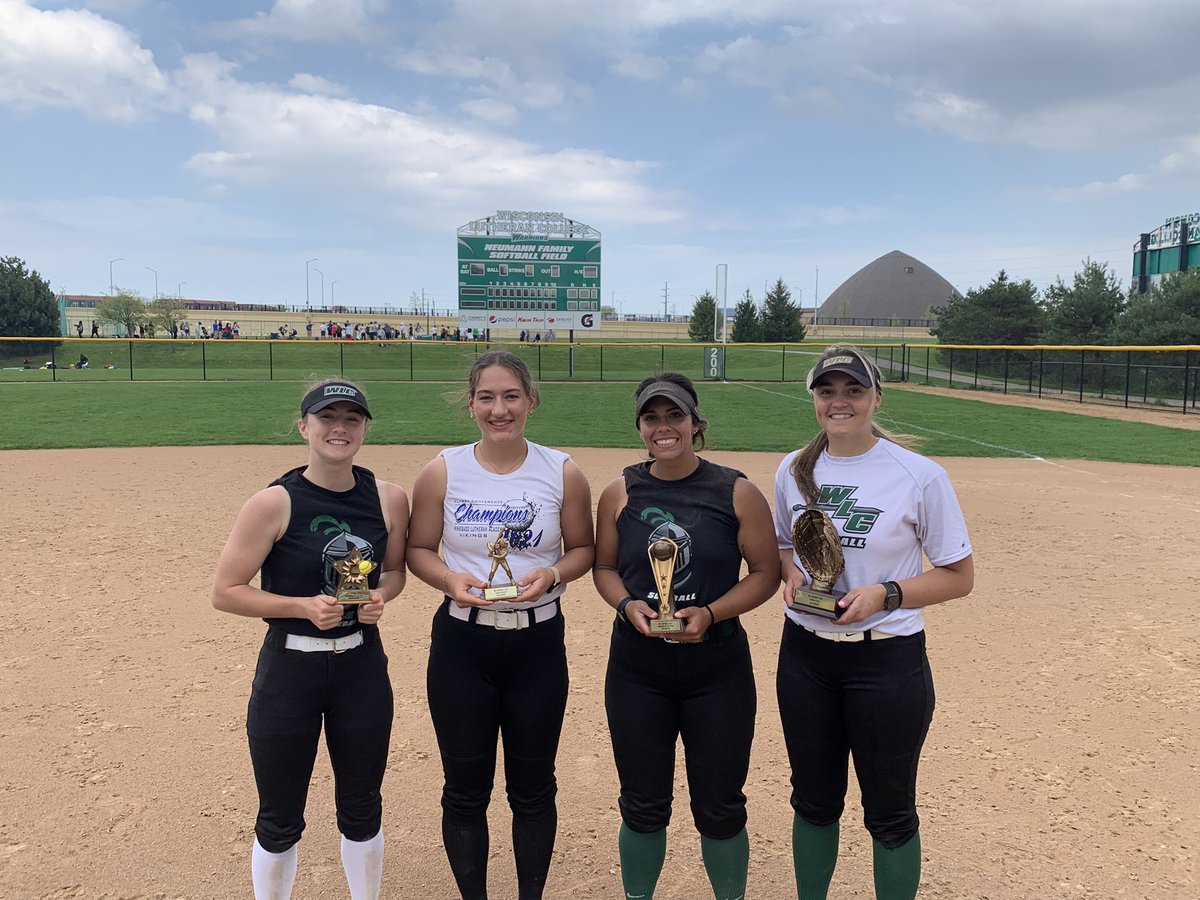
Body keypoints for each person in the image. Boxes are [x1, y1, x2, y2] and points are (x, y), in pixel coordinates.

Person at [773, 345, 974, 900]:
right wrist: (791, 575)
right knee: (813, 801)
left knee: (889, 809)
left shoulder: (919, 474)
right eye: (827, 391)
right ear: (814, 398)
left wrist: (887, 594)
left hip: (886, 660)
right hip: (807, 655)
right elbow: (787, 546)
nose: (840, 402)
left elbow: (958, 576)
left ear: (875, 397)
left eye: (853, 390)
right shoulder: (793, 469)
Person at [406, 350, 594, 900]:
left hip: (537, 642)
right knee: (465, 791)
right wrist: (448, 581)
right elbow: (418, 548)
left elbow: (583, 548)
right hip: (463, 642)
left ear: (531, 401)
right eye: (486, 397)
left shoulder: (562, 470)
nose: (499, 409)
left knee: (533, 790)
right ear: (470, 406)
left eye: (511, 396)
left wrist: (553, 571)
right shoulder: (443, 469)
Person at [211, 380, 409, 900]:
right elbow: (226, 592)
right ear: (304, 427)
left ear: (365, 428)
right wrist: (300, 607)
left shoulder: (389, 498)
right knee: (279, 815)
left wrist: (380, 596)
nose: (339, 428)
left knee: (362, 807)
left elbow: (395, 573)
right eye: (327, 417)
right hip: (290, 672)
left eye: (352, 418)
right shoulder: (274, 502)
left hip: (361, 669)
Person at [593, 372, 780, 900]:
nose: (664, 427)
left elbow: (766, 573)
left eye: (675, 415)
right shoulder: (620, 491)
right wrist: (629, 604)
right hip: (637, 667)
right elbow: (604, 568)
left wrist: (713, 613)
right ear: (640, 428)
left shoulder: (735, 490)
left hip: (716, 666)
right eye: (651, 418)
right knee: (643, 802)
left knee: (720, 804)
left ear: (696, 424)